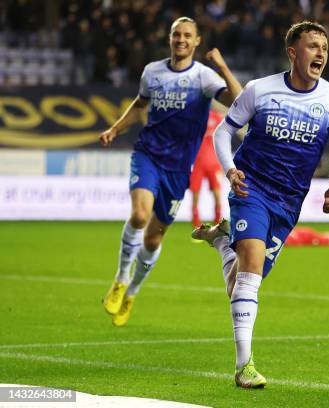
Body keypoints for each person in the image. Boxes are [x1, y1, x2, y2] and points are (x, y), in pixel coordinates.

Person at [192, 21, 329, 388]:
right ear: (293, 52)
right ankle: (243, 366)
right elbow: (223, 132)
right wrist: (230, 170)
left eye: (324, 47)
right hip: (251, 189)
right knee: (249, 272)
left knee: (241, 284)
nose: (321, 53)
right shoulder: (259, 90)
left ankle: (220, 242)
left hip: (288, 202)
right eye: (313, 46)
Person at [99, 17, 242, 326]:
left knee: (152, 240)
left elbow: (237, 101)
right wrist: (115, 128)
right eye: (176, 34)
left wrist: (223, 67)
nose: (181, 39)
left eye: (187, 35)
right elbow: (139, 106)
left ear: (196, 41)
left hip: (178, 169)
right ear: (170, 38)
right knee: (139, 215)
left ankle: (132, 292)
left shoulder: (204, 77)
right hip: (148, 154)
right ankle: (121, 279)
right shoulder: (153, 71)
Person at [189, 108, 224, 228]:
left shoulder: (217, 117)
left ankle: (218, 222)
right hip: (198, 163)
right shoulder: (195, 117)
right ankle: (196, 223)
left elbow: (223, 137)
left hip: (213, 163)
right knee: (195, 194)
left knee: (217, 194)